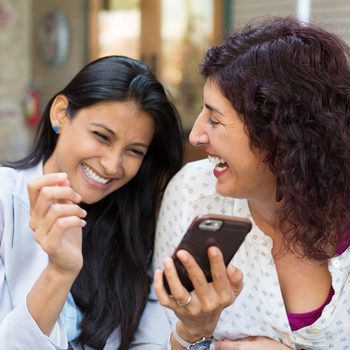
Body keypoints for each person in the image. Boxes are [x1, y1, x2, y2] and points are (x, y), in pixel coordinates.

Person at [152, 16, 350, 350]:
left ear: (282, 136)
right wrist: (192, 333)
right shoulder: (191, 194)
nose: (196, 134)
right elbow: (158, 340)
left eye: (215, 119)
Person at [0, 55, 183, 349]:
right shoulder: (4, 199)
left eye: (134, 151)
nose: (112, 165)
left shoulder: (135, 226)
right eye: (102, 136)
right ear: (61, 113)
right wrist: (59, 274)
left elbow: (151, 342)